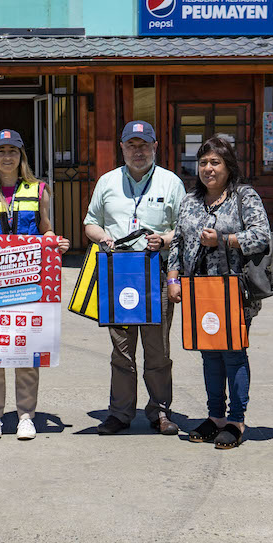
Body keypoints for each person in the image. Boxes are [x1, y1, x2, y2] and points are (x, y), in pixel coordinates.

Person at [0, 129, 71, 440]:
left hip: (29, 283)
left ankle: (25, 416)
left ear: (22, 156)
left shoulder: (38, 191)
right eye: (1, 151)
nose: (7, 157)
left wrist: (54, 242)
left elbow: (46, 229)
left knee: (27, 349)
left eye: (13, 151)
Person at [166, 135, 271, 449]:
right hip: (198, 291)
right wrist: (173, 277)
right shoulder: (190, 200)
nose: (208, 169)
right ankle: (216, 418)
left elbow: (261, 236)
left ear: (228, 166)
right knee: (209, 355)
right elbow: (178, 242)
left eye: (215, 162)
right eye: (203, 163)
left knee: (233, 354)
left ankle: (236, 421)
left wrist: (224, 239)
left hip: (234, 290)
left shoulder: (244, 196)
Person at [83, 120, 185, 436]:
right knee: (122, 350)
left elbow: (183, 230)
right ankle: (120, 413)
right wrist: (102, 238)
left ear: (155, 147)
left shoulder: (171, 183)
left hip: (154, 274)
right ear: (122, 147)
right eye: (131, 145)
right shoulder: (107, 182)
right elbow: (90, 223)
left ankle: (160, 412)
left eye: (143, 145)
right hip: (119, 276)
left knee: (157, 351)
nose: (137, 151)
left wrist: (165, 240)